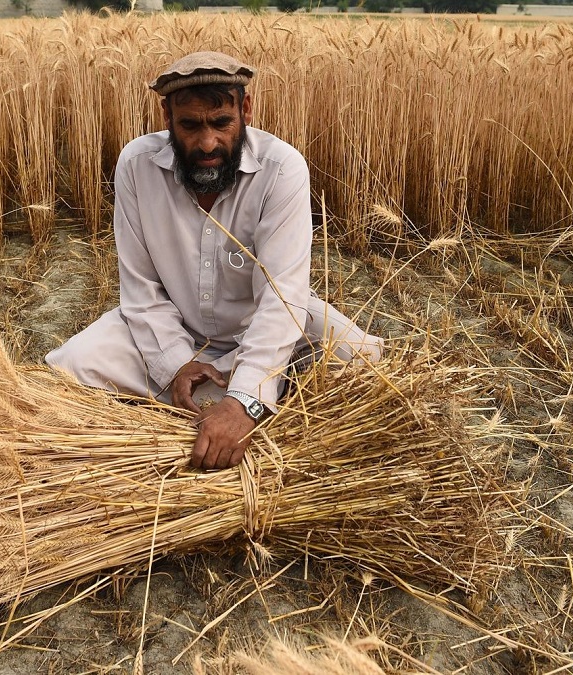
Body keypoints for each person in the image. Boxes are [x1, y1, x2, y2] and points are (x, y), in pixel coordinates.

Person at [47, 52, 382, 471]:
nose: (207, 144)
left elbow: (283, 298)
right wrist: (175, 365)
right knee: (70, 368)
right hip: (173, 325)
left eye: (221, 123)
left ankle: (242, 394)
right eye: (190, 125)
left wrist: (243, 401)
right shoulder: (136, 165)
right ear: (167, 116)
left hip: (266, 326)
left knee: (362, 363)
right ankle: (235, 396)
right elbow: (141, 287)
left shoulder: (282, 169)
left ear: (245, 111)